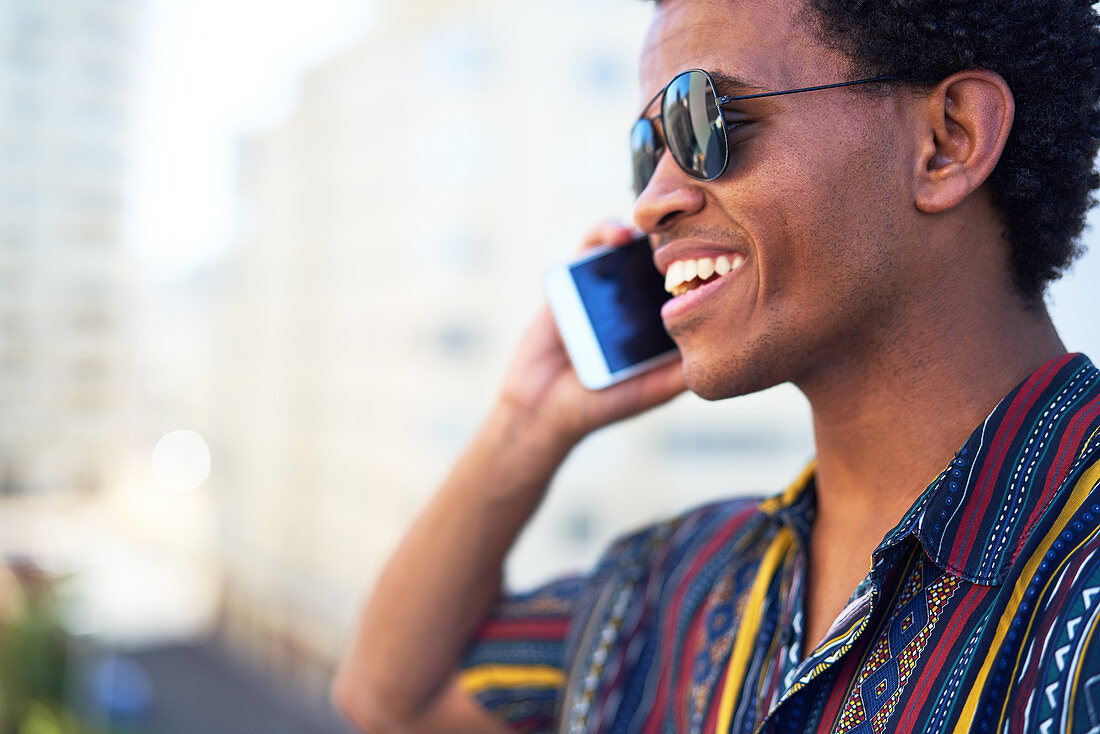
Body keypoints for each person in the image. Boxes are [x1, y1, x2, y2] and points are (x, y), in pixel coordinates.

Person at [332, 0, 1100, 731]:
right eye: (648, 150)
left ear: (948, 140)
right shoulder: (675, 589)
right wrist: (526, 426)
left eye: (706, 122)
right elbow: (393, 698)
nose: (652, 202)